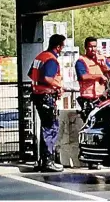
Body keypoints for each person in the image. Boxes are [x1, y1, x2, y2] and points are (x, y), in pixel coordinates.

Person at [27, 34, 66, 172]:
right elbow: (48, 78)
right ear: (58, 46)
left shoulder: (40, 56)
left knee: (45, 128)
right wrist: (59, 86)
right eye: (62, 46)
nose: (62, 49)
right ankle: (48, 161)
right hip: (46, 97)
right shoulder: (51, 60)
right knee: (51, 128)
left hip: (38, 96)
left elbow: (31, 74)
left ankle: (42, 160)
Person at [75, 37, 110, 119]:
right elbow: (83, 76)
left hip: (103, 98)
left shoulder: (102, 59)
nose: (93, 49)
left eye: (95, 46)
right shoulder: (81, 61)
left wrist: (104, 65)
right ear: (85, 47)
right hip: (89, 99)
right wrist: (99, 76)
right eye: (90, 47)